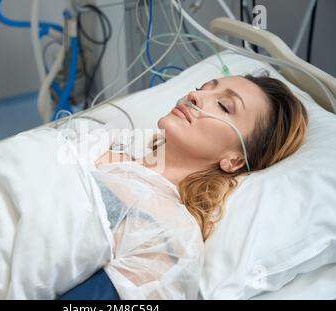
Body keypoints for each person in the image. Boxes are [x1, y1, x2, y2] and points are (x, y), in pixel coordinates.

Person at [61, 75, 309, 299]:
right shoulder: (111, 141)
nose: (195, 95)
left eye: (224, 105)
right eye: (203, 87)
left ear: (234, 160)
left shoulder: (171, 237)